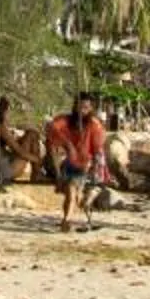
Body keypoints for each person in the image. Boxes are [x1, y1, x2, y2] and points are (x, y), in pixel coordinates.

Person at [44, 94, 108, 231]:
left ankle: (68, 219)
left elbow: (98, 151)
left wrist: (93, 169)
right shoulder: (64, 121)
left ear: (90, 109)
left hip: (86, 165)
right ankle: (68, 219)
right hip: (66, 165)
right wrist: (58, 170)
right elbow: (51, 134)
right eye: (79, 106)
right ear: (74, 106)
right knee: (71, 191)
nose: (81, 110)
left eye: (85, 108)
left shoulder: (94, 125)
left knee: (74, 189)